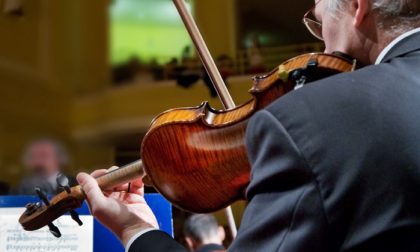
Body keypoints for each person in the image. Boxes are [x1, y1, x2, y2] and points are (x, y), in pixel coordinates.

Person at [77, 0, 420, 251]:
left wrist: (134, 229)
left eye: (318, 22)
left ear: (358, 6)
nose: (323, 45)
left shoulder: (312, 115)